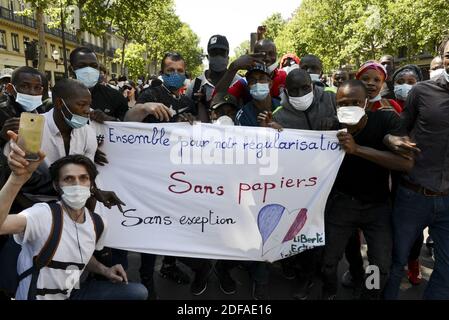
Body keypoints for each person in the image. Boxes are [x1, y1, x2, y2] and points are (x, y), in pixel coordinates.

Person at [0, 141, 147, 300]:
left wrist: (105, 270)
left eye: (83, 178)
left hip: (70, 294)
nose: (77, 184)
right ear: (57, 186)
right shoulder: (42, 214)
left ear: (91, 184)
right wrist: (16, 179)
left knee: (137, 292)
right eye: (68, 179)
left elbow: (82, 254)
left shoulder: (98, 224)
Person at [126, 52, 214, 298]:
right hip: (151, 177)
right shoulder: (150, 95)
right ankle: (148, 285)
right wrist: (143, 108)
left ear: (185, 72)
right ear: (162, 72)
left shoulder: (186, 97)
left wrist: (190, 121)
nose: (174, 74)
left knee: (173, 225)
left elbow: (193, 129)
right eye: (169, 70)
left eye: (179, 70)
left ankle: (170, 266)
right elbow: (128, 122)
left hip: (178, 176)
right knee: (151, 231)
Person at [321, 79, 413, 300]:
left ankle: (369, 294)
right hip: (342, 205)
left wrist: (358, 149)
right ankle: (329, 292)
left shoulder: (386, 120)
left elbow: (406, 163)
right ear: (335, 105)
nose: (349, 107)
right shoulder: (331, 127)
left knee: (379, 265)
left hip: (377, 207)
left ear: (366, 104)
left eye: (355, 102)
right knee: (327, 261)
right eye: (343, 103)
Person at [259, 68, 338, 300]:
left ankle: (331, 282)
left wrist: (334, 123)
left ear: (313, 84)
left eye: (305, 88)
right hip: (301, 189)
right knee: (305, 237)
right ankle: (306, 278)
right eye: (294, 90)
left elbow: (353, 123)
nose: (301, 93)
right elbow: (271, 156)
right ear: (286, 91)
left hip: (335, 185)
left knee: (336, 240)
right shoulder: (280, 115)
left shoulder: (332, 101)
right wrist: (271, 132)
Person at [383, 37, 449, 300]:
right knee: (395, 261)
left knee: (446, 268)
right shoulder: (422, 92)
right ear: (442, 57)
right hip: (412, 196)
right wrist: (390, 140)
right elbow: (397, 131)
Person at [186, 35, 241, 122]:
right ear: (208, 57)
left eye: (222, 52)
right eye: (214, 52)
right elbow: (187, 113)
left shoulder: (239, 82)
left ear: (228, 57)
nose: (218, 56)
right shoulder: (195, 85)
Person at [214, 39, 286, 103]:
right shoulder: (244, 83)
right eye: (262, 54)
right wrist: (233, 67)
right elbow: (217, 98)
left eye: (271, 54)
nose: (267, 58)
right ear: (254, 56)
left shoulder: (283, 76)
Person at [69, 47, 128, 122]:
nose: (89, 70)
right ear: (72, 69)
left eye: (94, 66)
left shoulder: (115, 96)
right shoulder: (60, 98)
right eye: (82, 65)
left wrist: (108, 119)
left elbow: (126, 126)